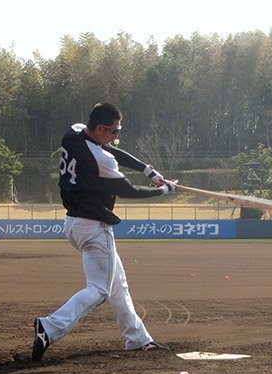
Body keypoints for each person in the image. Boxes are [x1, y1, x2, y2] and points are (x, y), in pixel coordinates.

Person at [32, 102, 178, 360]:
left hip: (75, 223)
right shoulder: (100, 160)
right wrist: (164, 190)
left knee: (117, 285)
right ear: (101, 128)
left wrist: (148, 170)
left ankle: (137, 339)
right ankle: (50, 326)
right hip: (94, 228)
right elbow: (128, 191)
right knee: (100, 289)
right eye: (114, 131)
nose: (117, 136)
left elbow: (110, 150)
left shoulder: (74, 133)